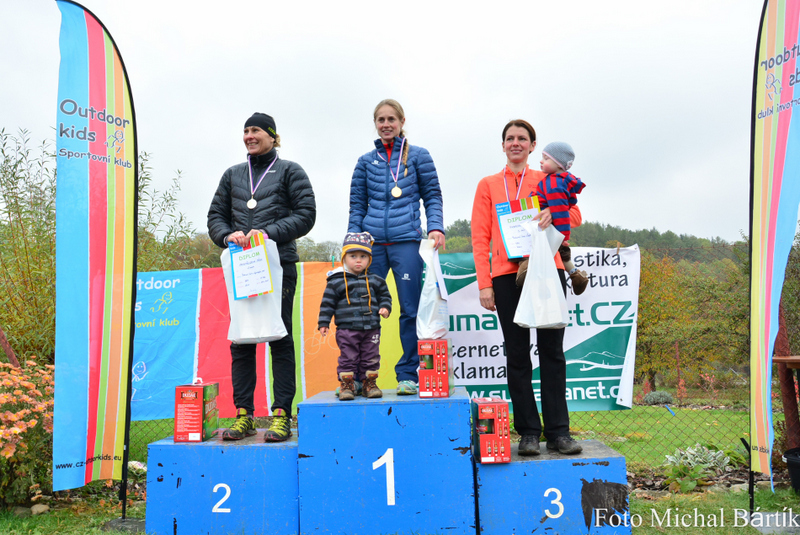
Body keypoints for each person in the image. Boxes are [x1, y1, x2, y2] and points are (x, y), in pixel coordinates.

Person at [471, 119, 582, 456]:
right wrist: (485, 284)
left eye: (522, 138)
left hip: (548, 269)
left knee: (552, 352)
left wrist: (553, 213)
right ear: (503, 145)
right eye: (510, 138)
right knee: (517, 354)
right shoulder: (488, 184)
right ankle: (529, 432)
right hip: (507, 275)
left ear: (533, 146)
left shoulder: (548, 177)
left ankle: (559, 432)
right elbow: (480, 236)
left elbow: (576, 215)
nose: (515, 143)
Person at [207, 112, 316, 442]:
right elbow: (215, 217)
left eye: (255, 130)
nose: (249, 136)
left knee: (279, 338)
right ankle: (244, 416)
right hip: (242, 266)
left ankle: (281, 415)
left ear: (272, 136)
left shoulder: (290, 171)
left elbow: (306, 215)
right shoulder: (232, 175)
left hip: (278, 264)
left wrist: (266, 233)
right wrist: (227, 235)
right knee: (241, 340)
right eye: (245, 131)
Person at [348, 99, 445, 395]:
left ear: (402, 122)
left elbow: (432, 195)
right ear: (375, 124)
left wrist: (436, 226)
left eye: (392, 119)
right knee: (362, 312)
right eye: (381, 119)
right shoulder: (365, 161)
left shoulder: (418, 156)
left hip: (407, 242)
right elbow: (357, 205)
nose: (386, 124)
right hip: (371, 246)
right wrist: (353, 239)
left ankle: (408, 375)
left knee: (410, 310)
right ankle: (360, 377)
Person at [318, 232, 392, 401]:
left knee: (371, 357)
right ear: (344, 258)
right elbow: (327, 303)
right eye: (353, 256)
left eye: (363, 256)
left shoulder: (376, 280)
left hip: (372, 328)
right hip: (347, 330)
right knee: (348, 358)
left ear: (369, 259)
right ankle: (347, 385)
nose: (358, 260)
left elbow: (385, 296)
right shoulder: (336, 281)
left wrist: (385, 307)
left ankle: (369, 384)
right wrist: (324, 322)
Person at [536, 141, 589, 295]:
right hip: (551, 229)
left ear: (558, 164)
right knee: (561, 253)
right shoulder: (554, 180)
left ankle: (537, 280)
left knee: (540, 252)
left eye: (546, 158)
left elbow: (561, 212)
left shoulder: (554, 184)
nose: (541, 161)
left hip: (549, 230)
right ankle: (575, 274)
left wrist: (563, 236)